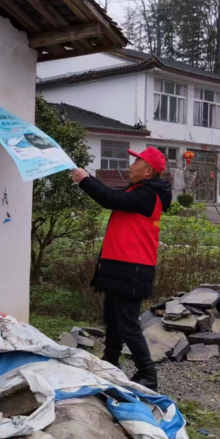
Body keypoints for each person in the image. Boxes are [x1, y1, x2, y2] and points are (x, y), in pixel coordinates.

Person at [71, 147, 172, 391]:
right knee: (113, 319)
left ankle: (148, 375)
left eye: (136, 161)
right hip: (122, 267)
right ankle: (111, 361)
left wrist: (85, 180)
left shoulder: (149, 194)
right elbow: (114, 194)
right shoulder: (138, 191)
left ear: (148, 171)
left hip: (133, 269)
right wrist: (89, 179)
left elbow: (111, 199)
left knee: (128, 324)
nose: (130, 165)